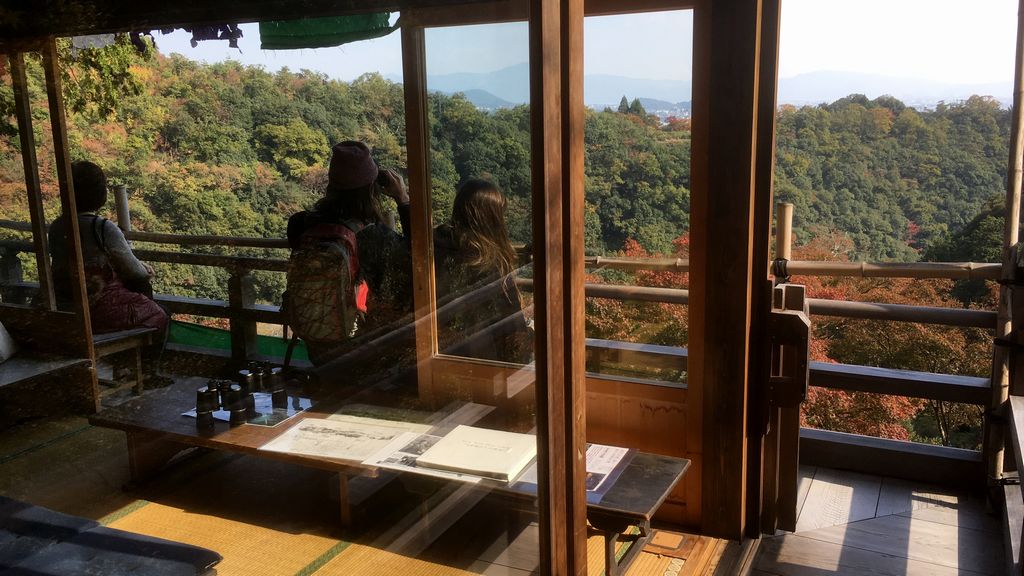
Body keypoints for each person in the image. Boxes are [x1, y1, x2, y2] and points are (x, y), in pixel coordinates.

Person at [286, 141, 412, 365]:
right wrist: (403, 199)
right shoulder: (373, 236)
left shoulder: (299, 224)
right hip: (359, 347)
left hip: (317, 344)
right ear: (371, 189)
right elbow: (416, 257)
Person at [48, 161, 169, 380]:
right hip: (99, 309)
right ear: (99, 193)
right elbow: (135, 273)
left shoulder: (57, 226)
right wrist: (146, 271)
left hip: (65, 308)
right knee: (160, 314)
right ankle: (146, 374)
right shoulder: (102, 227)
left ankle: (126, 368)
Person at [433, 179, 532, 364]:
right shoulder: (488, 262)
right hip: (480, 360)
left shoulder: (436, 247)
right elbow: (510, 324)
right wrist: (522, 360)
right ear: (492, 219)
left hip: (438, 351)